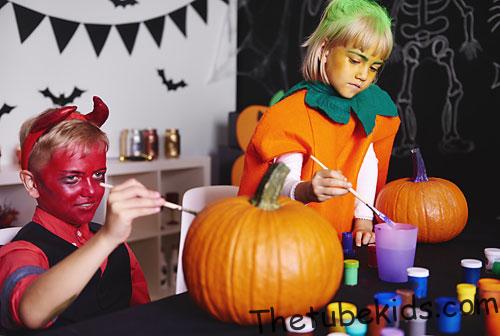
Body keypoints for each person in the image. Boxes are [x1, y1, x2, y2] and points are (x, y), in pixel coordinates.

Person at [238, 0, 400, 247]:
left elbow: (366, 163)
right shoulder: (293, 113)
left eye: (374, 67)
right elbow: (281, 180)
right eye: (355, 60)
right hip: (291, 240)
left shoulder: (367, 110)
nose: (363, 75)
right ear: (325, 49)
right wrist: (307, 191)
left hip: (338, 240)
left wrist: (364, 220)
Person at [0, 97, 165, 334]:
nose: (91, 191)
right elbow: (31, 312)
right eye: (72, 178)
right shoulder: (22, 251)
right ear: (32, 183)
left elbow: (143, 316)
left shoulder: (120, 248)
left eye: (99, 175)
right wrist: (107, 238)